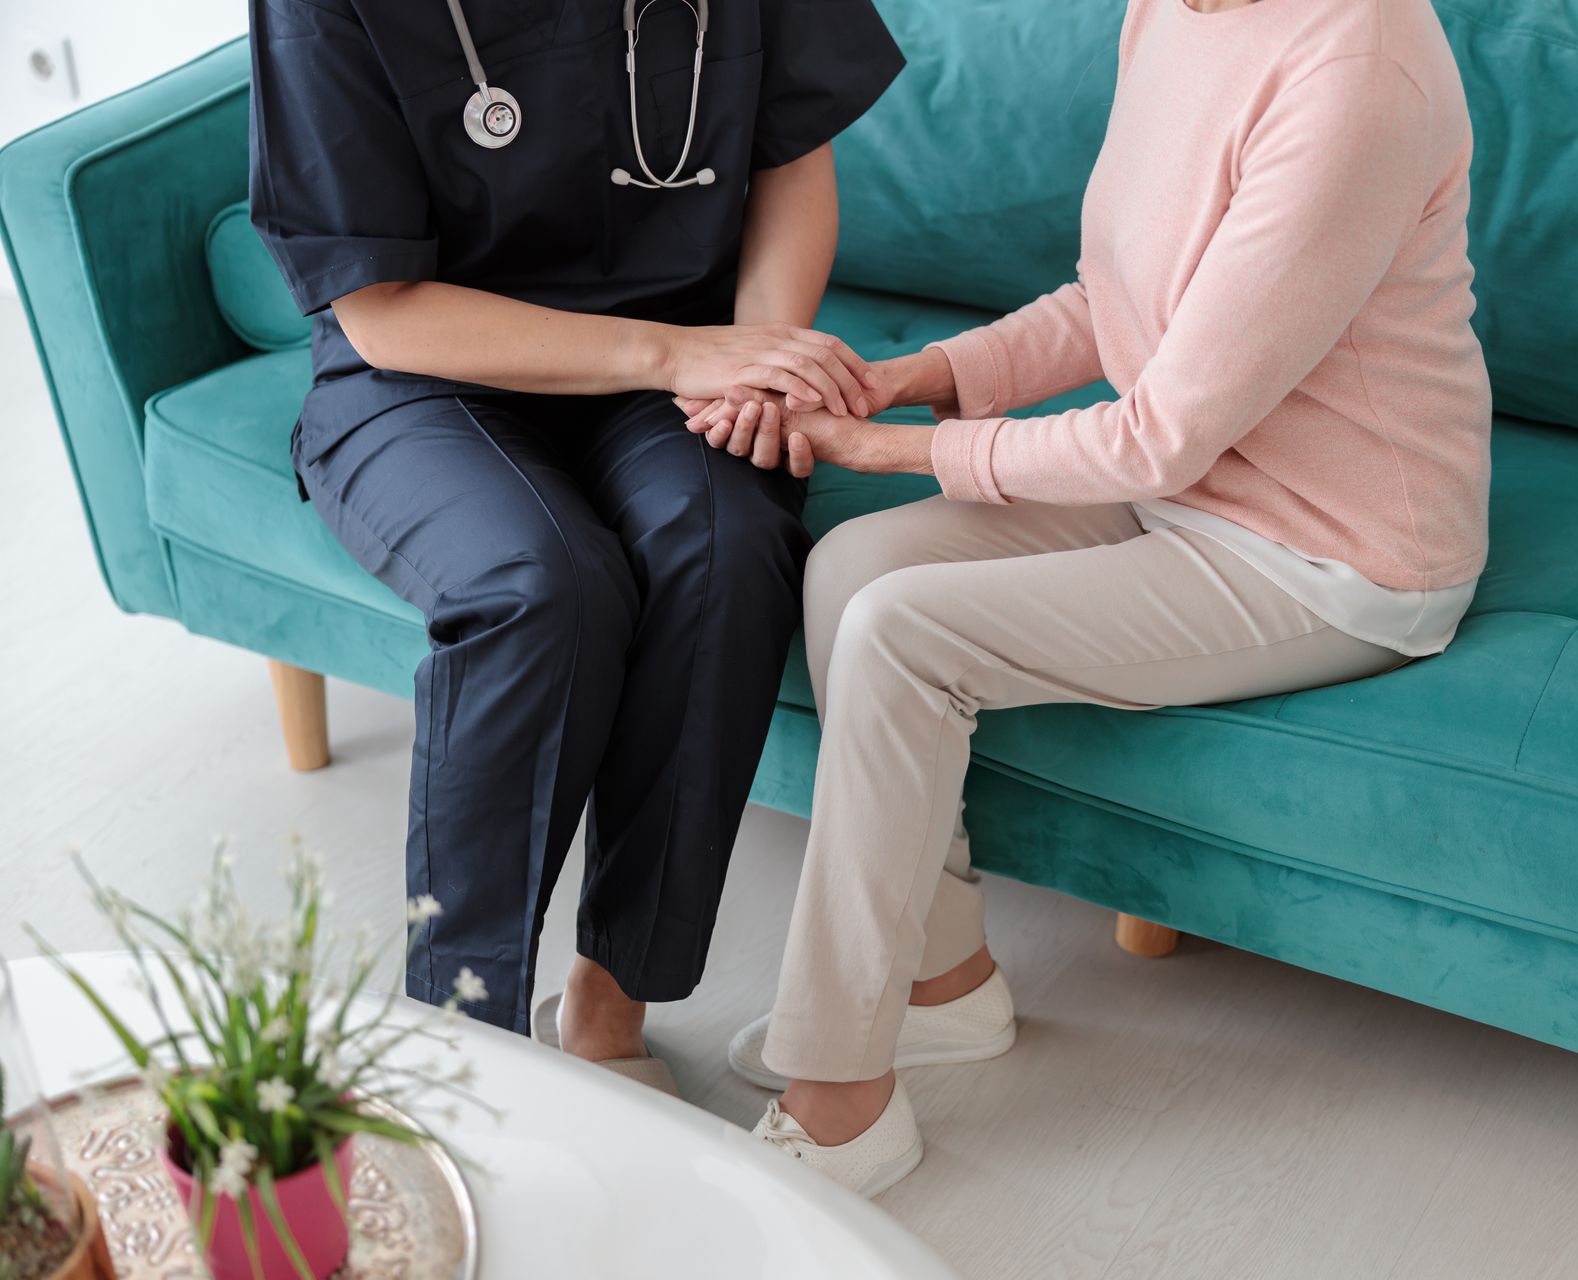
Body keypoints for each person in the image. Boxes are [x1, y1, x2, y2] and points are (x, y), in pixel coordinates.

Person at [686, 0, 1493, 1193]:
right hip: (1195, 480)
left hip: (1331, 549)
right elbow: (1117, 306)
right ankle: (941, 986)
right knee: (854, 566)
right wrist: (915, 380)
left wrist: (890, 451)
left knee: (911, 630)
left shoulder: (1359, 71)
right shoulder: (1170, 12)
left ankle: (842, 1097)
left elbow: (1158, 435)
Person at [247, 0, 904, 1093]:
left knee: (726, 547)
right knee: (541, 584)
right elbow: (380, 308)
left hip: (686, 346)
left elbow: (792, 155)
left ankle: (611, 1000)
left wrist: (758, 358)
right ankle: (467, 1042)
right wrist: (675, 354)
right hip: (424, 376)